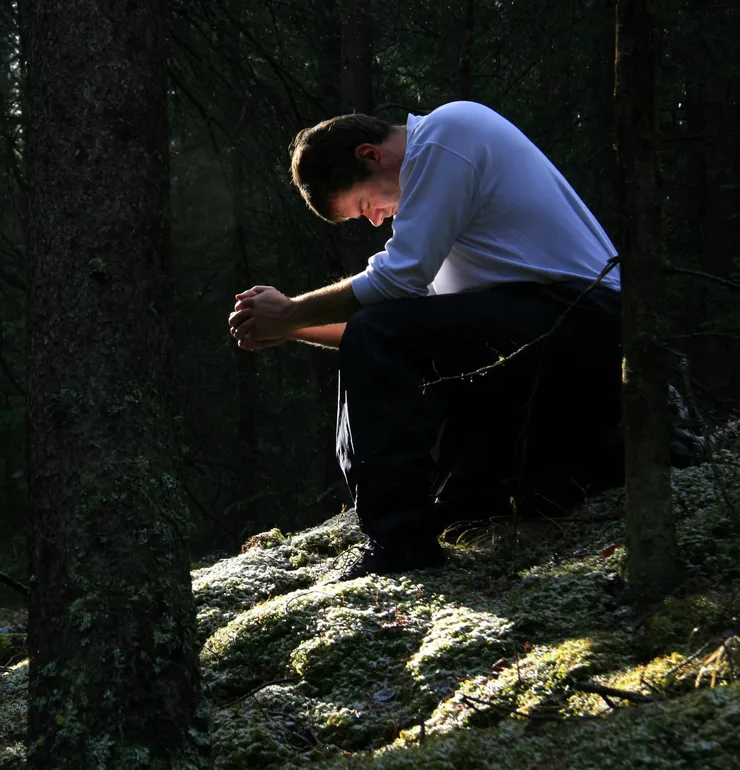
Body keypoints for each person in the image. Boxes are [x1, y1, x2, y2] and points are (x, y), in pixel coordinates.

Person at [228, 101, 623, 580]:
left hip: (584, 320)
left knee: (382, 329)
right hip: (555, 337)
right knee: (464, 509)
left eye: (363, 206)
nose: (376, 220)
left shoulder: (447, 133)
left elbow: (396, 287)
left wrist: (291, 310)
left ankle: (395, 541)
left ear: (371, 155)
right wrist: (290, 327)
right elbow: (400, 331)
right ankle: (599, 456)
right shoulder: (445, 197)